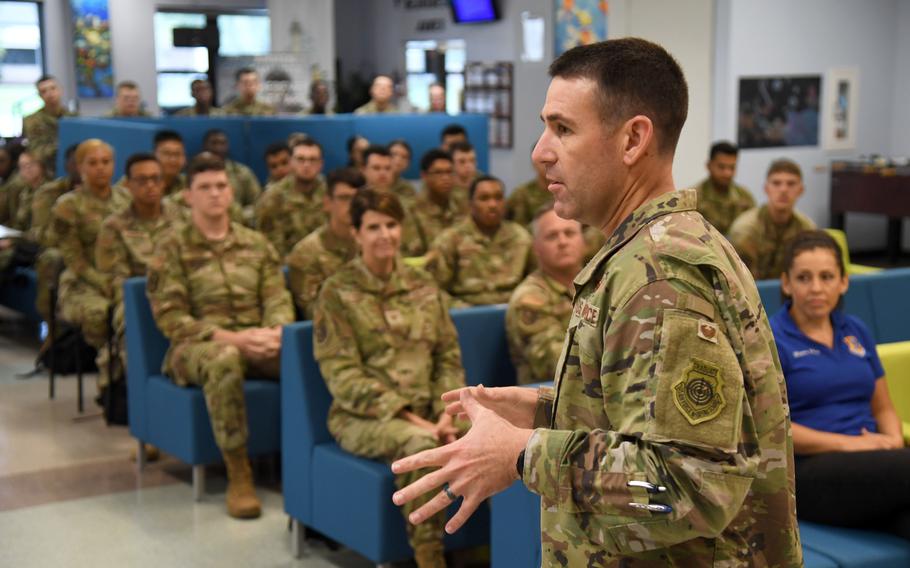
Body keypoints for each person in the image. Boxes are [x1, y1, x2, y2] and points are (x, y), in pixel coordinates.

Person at [391, 38, 801, 565]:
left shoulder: (660, 276)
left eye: (563, 129)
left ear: (633, 139)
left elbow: (690, 486)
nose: (541, 151)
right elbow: (646, 422)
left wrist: (522, 454)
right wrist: (547, 408)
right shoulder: (651, 252)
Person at [313, 188, 466, 567]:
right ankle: (430, 557)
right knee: (420, 446)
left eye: (392, 225)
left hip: (432, 413)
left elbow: (447, 356)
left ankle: (487, 546)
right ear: (356, 234)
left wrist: (446, 415)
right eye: (374, 227)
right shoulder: (337, 292)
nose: (385, 235)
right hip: (363, 416)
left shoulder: (424, 286)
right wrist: (420, 423)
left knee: (495, 436)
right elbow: (343, 375)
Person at [147, 153, 294, 519]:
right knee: (225, 360)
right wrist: (233, 339)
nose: (215, 194)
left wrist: (276, 332)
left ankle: (303, 461)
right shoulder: (172, 248)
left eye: (221, 186)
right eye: (205, 188)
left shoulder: (256, 243)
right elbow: (170, 317)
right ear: (187, 196)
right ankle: (238, 472)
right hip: (196, 349)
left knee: (306, 355)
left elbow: (277, 296)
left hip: (257, 340)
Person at [770, 230, 910, 539]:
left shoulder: (855, 330)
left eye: (826, 276)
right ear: (786, 283)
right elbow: (773, 430)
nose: (816, 288)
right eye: (804, 278)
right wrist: (855, 445)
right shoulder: (771, 340)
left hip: (875, 464)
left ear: (843, 282)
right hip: (809, 472)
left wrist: (891, 444)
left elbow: (884, 406)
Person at [94, 153, 177, 395]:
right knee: (129, 317)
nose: (150, 185)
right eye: (142, 180)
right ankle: (139, 393)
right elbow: (114, 279)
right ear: (128, 185)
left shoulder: (182, 216)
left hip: (181, 291)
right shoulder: (114, 226)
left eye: (155, 179)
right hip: (136, 296)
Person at [52, 139, 131, 352]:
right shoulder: (68, 205)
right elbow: (73, 258)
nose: (100, 168)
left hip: (123, 277)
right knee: (100, 313)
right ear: (80, 167)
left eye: (106, 161)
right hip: (83, 282)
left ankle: (126, 366)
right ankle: (108, 366)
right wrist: (103, 281)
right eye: (93, 162)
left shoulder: (127, 199)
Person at [505, 205, 584, 385]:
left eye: (569, 233)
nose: (562, 242)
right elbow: (558, 363)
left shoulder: (600, 283)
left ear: (582, 240)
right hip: (552, 399)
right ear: (536, 247)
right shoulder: (529, 299)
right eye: (552, 236)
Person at [426, 175, 531, 307]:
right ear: (470, 204)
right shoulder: (450, 239)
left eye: (498, 198)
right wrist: (461, 309)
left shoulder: (521, 237)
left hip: (515, 310)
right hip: (466, 311)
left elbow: (538, 279)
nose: (493, 205)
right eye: (484, 198)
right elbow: (432, 288)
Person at [286, 167, 363, 318]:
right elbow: (315, 311)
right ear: (328, 202)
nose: (353, 205)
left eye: (358, 199)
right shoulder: (306, 252)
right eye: (344, 198)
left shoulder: (371, 243)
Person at [729, 158, 816, 280]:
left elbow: (809, 273)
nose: (783, 190)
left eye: (791, 184)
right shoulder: (746, 230)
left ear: (801, 190)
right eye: (776, 183)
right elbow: (742, 283)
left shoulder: (806, 228)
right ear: (766, 189)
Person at [30, 144, 80, 322]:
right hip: (62, 248)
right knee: (52, 257)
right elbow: (41, 234)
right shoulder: (50, 193)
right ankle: (52, 326)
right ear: (67, 165)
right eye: (76, 162)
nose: (81, 167)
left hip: (98, 253)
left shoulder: (113, 196)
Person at [255, 138, 326, 258]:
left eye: (313, 160)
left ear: (321, 164)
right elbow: (267, 246)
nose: (306, 165)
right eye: (300, 159)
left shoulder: (332, 195)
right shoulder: (272, 198)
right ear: (292, 162)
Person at [400, 149, 465, 257]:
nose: (445, 178)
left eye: (449, 172)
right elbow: (413, 255)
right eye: (438, 173)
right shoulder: (412, 211)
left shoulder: (462, 205)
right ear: (424, 176)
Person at [201, 129, 262, 222]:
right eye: (214, 143)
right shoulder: (196, 175)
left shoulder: (242, 173)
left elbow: (258, 204)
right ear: (205, 146)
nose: (218, 148)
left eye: (222, 143)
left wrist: (238, 215)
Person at [695, 141, 755, 235]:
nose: (727, 173)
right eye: (721, 167)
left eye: (732, 168)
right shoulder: (694, 198)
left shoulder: (745, 197)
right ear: (709, 166)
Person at [22, 75, 76, 176]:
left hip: (72, 167)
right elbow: (37, 152)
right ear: (39, 95)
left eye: (53, 88)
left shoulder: (74, 118)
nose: (50, 94)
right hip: (44, 170)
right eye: (44, 91)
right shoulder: (32, 120)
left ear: (61, 90)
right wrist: (61, 145)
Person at [506, 146, 551, 229]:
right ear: (533, 163)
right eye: (543, 160)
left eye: (551, 160)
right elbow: (518, 227)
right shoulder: (522, 193)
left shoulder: (568, 191)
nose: (547, 164)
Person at [153, 130, 187, 196]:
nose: (173, 160)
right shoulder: (140, 183)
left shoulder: (190, 184)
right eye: (167, 153)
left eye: (178, 154)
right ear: (153, 155)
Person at [449, 142, 478, 210]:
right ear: (451, 164)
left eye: (472, 160)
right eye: (462, 162)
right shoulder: (446, 187)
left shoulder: (482, 181)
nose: (468, 166)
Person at [388, 139, 417, 204]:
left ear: (408, 164)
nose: (398, 159)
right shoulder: (372, 183)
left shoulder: (408, 189)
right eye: (393, 154)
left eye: (404, 157)